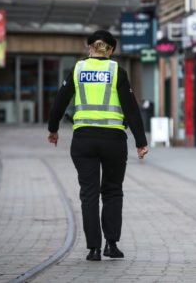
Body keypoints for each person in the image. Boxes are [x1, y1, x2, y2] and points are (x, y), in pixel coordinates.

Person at [47, 30, 149, 261]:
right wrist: (140, 142)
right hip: (113, 141)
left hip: (83, 141)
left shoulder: (78, 69)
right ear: (111, 50)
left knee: (89, 193)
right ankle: (111, 244)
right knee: (112, 191)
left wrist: (53, 129)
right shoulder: (117, 72)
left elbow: (60, 101)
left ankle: (93, 248)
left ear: (89, 47)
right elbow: (131, 109)